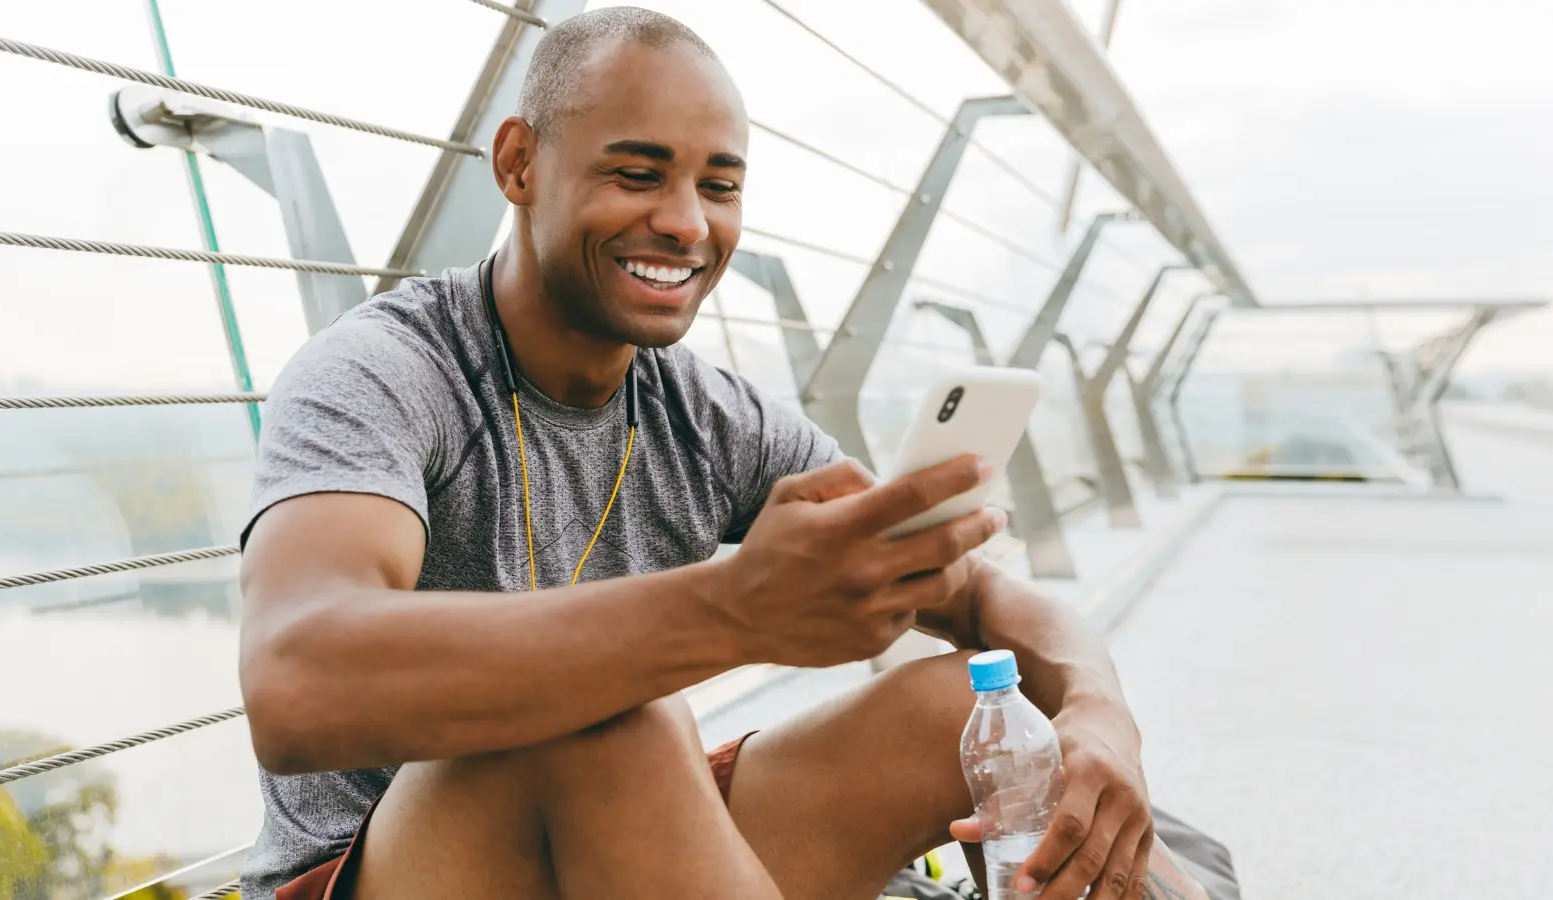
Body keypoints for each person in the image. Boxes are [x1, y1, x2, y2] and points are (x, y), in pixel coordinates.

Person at [236, 7, 1211, 900]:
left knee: (965, 701)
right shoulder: (384, 372)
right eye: (636, 172)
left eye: (719, 185)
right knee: (610, 717)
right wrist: (732, 610)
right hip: (379, 873)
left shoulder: (708, 414)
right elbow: (294, 685)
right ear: (519, 163)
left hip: (615, 839)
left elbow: (981, 600)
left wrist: (1098, 712)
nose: (687, 223)